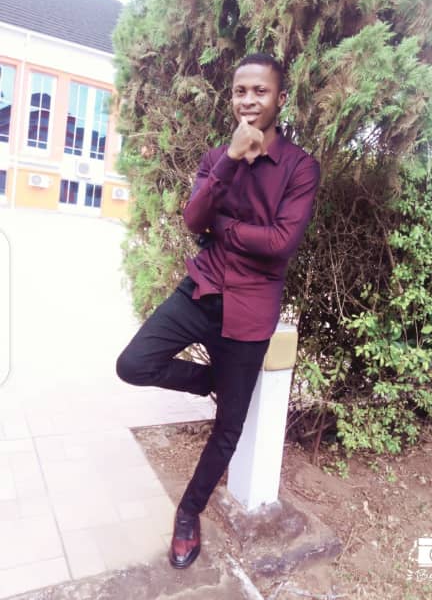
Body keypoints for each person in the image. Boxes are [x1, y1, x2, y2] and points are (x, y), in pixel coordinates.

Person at [116, 53, 321, 569]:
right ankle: (213, 381)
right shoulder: (216, 158)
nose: (248, 100)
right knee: (134, 364)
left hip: (251, 309)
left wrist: (223, 228)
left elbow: (280, 243)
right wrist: (230, 159)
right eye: (239, 91)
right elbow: (193, 220)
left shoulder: (299, 167)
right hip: (201, 289)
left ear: (280, 98)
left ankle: (188, 513)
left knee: (229, 426)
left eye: (260, 91)